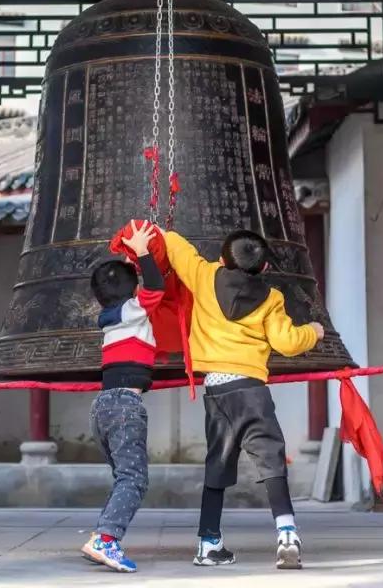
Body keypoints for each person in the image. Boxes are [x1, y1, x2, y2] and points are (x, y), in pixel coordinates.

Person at [162, 228, 325, 570]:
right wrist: (314, 331)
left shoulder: (205, 275)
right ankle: (287, 534)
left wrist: (158, 231)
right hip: (251, 391)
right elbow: (288, 342)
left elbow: (177, 248)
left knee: (217, 467)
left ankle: (208, 544)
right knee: (271, 461)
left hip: (216, 393)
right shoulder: (271, 298)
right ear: (264, 269)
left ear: (221, 260)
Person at [80, 221, 165, 573]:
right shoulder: (133, 311)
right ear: (131, 294)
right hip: (125, 407)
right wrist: (143, 250)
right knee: (134, 479)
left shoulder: (110, 318)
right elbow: (156, 286)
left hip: (103, 407)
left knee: (124, 478)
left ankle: (101, 537)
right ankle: (106, 540)